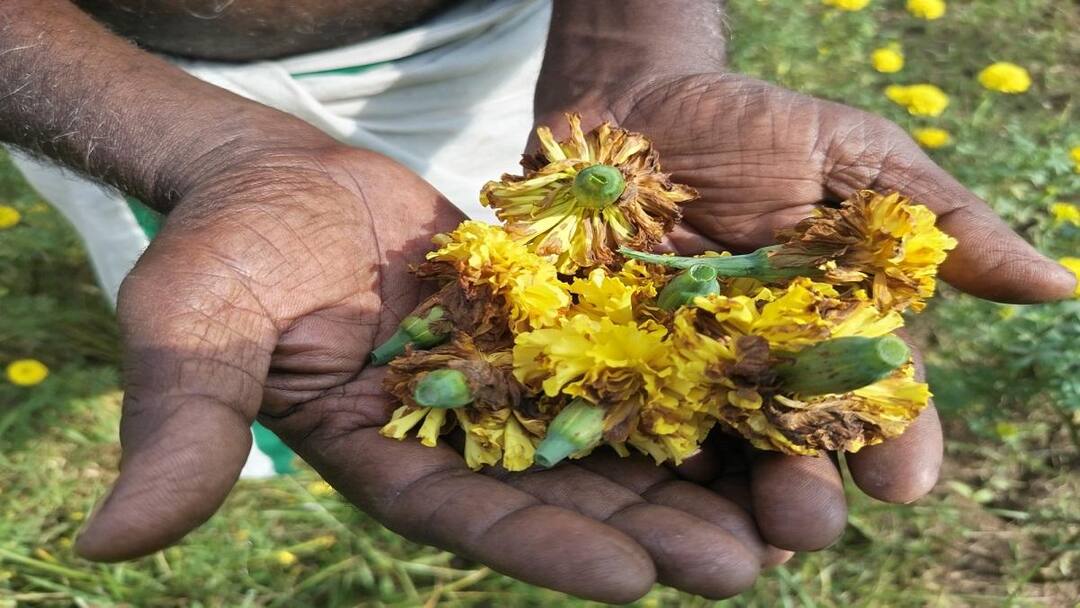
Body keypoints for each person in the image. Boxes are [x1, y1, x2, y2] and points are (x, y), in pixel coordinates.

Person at [1, 0, 1074, 602]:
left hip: (521, 41)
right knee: (265, 326)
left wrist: (634, 55)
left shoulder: (605, 205)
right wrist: (198, 149)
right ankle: (264, 460)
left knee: (456, 237)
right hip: (112, 79)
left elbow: (579, 238)